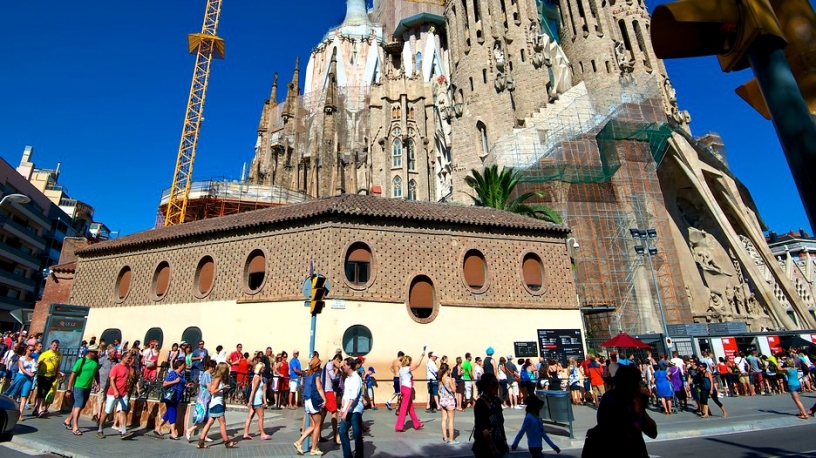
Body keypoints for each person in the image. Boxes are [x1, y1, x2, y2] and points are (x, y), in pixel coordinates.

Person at [584, 365, 657, 457]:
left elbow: (652, 432)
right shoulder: (613, 399)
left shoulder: (615, 398)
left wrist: (641, 408)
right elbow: (633, 430)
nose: (640, 385)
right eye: (638, 382)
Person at [197, 362, 237, 448]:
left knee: (209, 423)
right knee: (222, 423)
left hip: (216, 403)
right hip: (216, 404)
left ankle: (201, 442)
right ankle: (227, 441)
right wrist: (222, 388)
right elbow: (212, 391)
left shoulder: (219, 378)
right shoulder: (217, 378)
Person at [96, 352, 135, 440]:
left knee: (123, 411)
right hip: (113, 393)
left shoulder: (128, 367)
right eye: (128, 358)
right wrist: (115, 391)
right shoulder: (116, 367)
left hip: (123, 393)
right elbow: (112, 380)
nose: (130, 359)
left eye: (130, 358)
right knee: (107, 411)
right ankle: (100, 429)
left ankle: (123, 431)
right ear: (123, 358)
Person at [63, 344, 100, 435]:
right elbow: (73, 374)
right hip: (79, 386)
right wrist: (69, 389)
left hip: (87, 387)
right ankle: (75, 427)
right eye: (94, 351)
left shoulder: (95, 362)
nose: (96, 353)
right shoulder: (81, 361)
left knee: (79, 406)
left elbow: (96, 373)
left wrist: (98, 383)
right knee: (78, 406)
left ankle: (68, 420)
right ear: (89, 352)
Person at [293, 356, 326, 456]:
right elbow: (319, 387)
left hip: (307, 401)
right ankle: (313, 448)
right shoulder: (316, 375)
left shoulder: (307, 374)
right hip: (313, 401)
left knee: (312, 425)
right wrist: (324, 399)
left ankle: (300, 442)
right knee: (317, 425)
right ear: (317, 366)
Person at [472, 373, 509, 458]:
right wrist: (493, 448)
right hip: (484, 446)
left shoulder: (497, 401)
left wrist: (505, 441)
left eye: (497, 384)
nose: (496, 387)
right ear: (486, 386)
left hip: (499, 442)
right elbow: (484, 428)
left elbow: (500, 423)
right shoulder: (480, 403)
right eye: (493, 384)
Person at [154, 359, 189, 439]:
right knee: (173, 412)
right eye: (183, 365)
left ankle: (158, 427)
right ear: (180, 365)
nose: (185, 366)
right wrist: (175, 381)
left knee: (169, 412)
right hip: (171, 397)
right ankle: (173, 432)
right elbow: (165, 383)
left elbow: (181, 383)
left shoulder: (182, 374)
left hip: (177, 397)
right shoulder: (172, 373)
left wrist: (186, 386)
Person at [339, 357, 365, 458]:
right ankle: (347, 455)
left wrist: (346, 411)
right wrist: (342, 408)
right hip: (348, 409)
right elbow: (345, 395)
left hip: (355, 409)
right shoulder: (348, 379)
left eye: (344, 365)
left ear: (349, 366)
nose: (343, 367)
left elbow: (353, 396)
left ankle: (359, 456)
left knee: (356, 433)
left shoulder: (356, 378)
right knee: (342, 431)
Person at [243, 354, 271, 440]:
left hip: (255, 400)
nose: (264, 369)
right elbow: (253, 390)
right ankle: (262, 434)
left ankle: (245, 433)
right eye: (263, 368)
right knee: (261, 417)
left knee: (250, 416)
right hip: (257, 400)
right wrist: (250, 401)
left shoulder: (257, 377)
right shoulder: (258, 378)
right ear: (260, 369)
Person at [395, 352, 425, 431]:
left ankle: (417, 424)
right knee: (403, 408)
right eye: (410, 361)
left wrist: (400, 390)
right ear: (408, 362)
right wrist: (421, 356)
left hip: (403, 388)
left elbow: (400, 380)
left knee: (410, 408)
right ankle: (399, 426)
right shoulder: (406, 369)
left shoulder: (401, 369)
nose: (411, 362)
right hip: (407, 389)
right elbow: (417, 365)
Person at [33, 339, 63, 418]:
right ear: (51, 345)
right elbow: (38, 363)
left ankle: (36, 408)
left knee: (45, 392)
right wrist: (37, 372)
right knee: (41, 392)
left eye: (56, 346)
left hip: (51, 375)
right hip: (43, 375)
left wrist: (56, 374)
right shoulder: (45, 354)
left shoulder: (59, 354)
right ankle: (40, 409)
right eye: (53, 345)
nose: (55, 347)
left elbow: (58, 365)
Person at [437, 362, 457, 444]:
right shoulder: (449, 379)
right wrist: (453, 381)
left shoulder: (440, 380)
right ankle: (451, 439)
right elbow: (454, 390)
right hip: (450, 401)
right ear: (447, 370)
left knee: (444, 419)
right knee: (451, 420)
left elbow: (439, 390)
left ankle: (445, 437)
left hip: (443, 400)